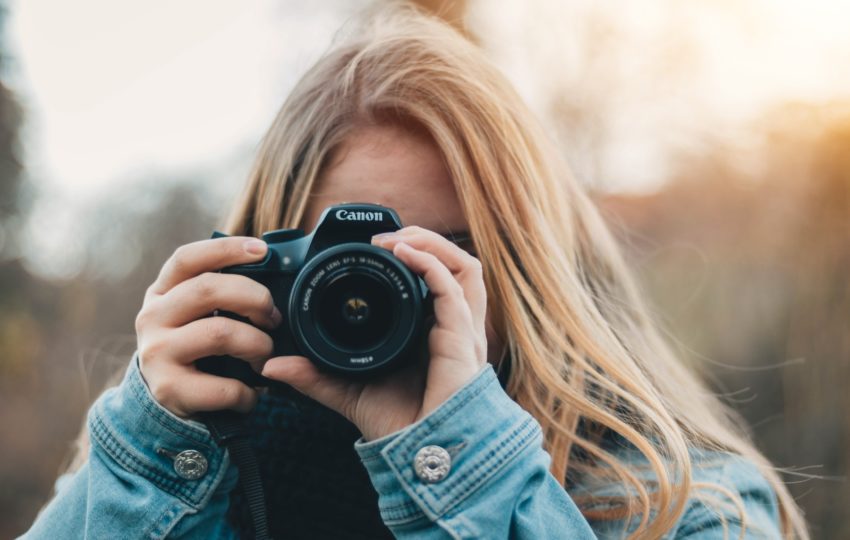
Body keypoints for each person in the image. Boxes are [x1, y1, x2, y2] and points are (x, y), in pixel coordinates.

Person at [23, 4, 809, 539]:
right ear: (268, 265)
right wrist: (151, 453)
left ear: (529, 270)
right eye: (351, 263)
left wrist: (464, 465)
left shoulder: (681, 504)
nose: (386, 294)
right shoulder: (184, 461)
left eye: (444, 255)